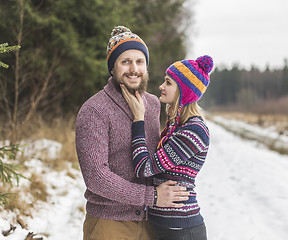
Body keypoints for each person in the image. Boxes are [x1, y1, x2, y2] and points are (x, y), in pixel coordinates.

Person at [75, 26, 189, 240]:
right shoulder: (94, 110)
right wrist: (152, 196)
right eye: (125, 61)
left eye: (139, 61)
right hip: (110, 224)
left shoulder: (154, 104)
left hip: (151, 221)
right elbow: (96, 177)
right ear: (112, 67)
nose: (133, 69)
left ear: (146, 66)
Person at [121, 55, 214, 240]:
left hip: (181, 230)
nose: (161, 87)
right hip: (168, 228)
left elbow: (144, 168)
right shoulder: (177, 126)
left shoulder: (193, 130)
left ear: (183, 91)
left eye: (168, 82)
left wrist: (138, 120)